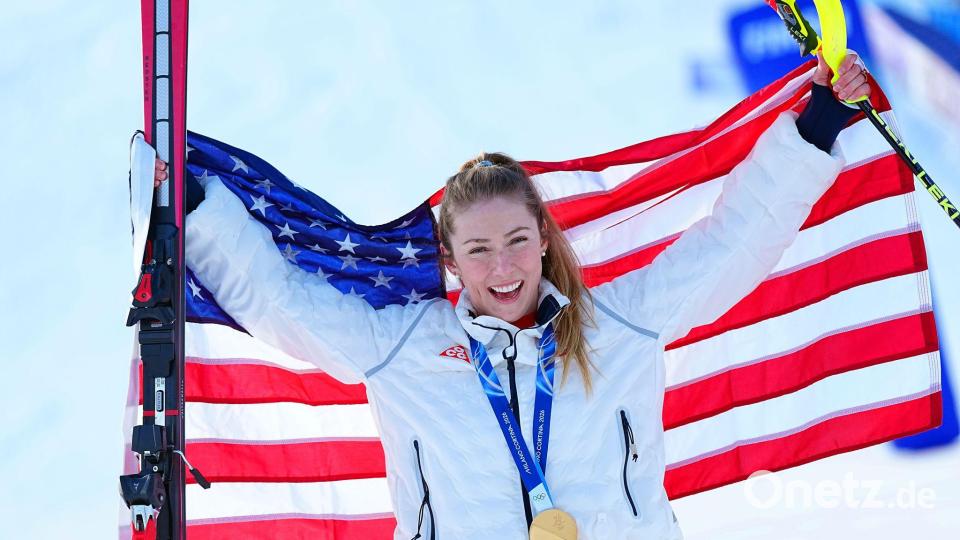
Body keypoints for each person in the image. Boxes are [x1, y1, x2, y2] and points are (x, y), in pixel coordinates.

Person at [151, 52, 871, 539]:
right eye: (479, 249)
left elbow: (731, 246)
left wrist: (813, 133)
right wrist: (198, 210)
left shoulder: (620, 323)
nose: (503, 267)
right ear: (450, 258)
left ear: (545, 237)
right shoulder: (401, 347)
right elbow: (282, 302)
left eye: (518, 240)